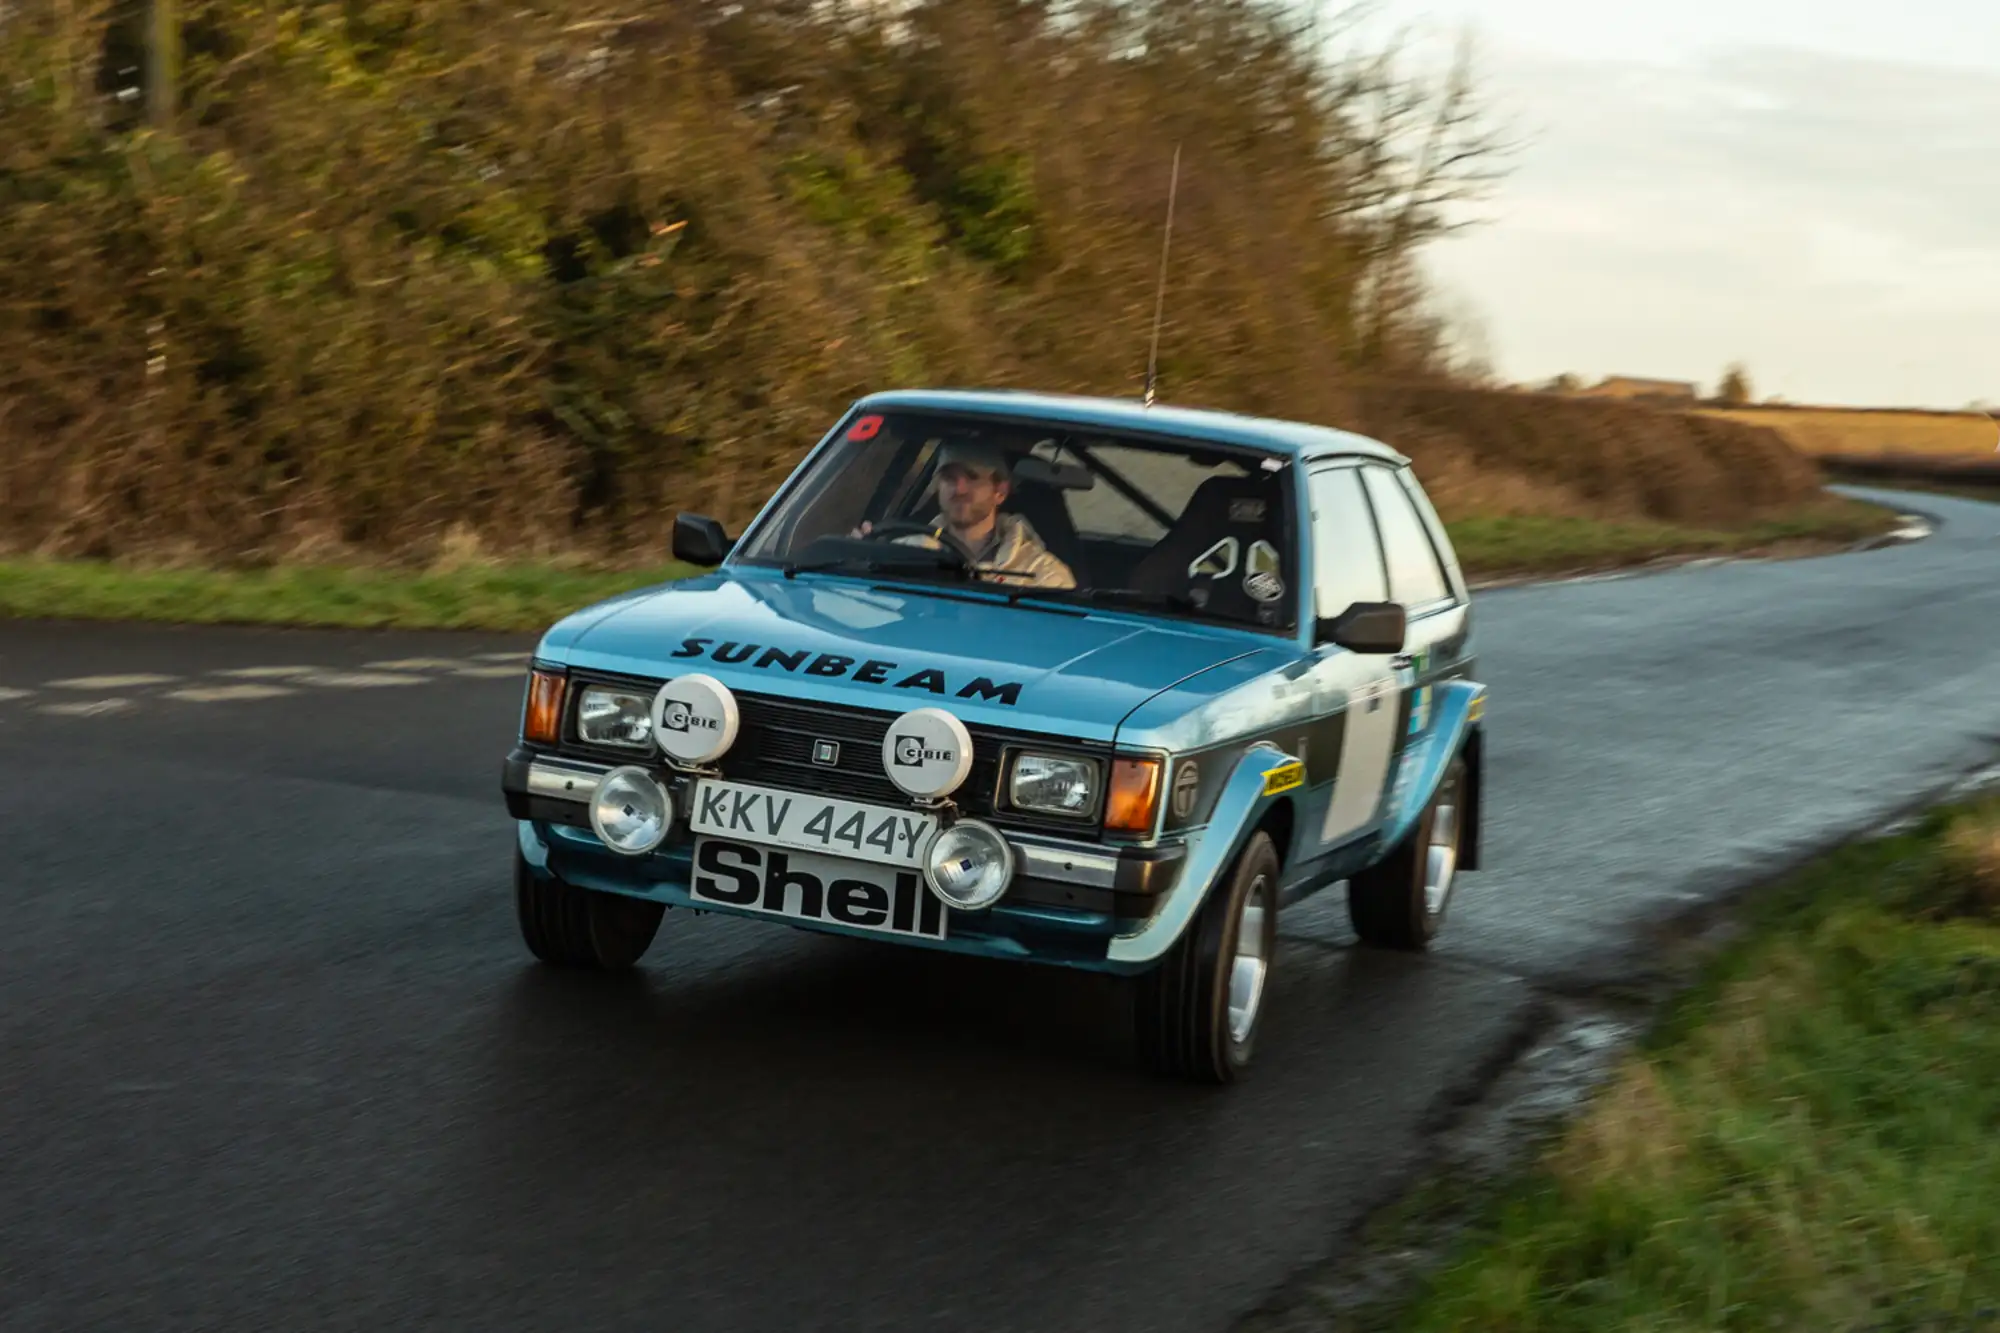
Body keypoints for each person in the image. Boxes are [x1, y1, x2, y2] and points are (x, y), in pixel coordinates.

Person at [862, 439, 1077, 590]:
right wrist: (860, 557)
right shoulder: (904, 553)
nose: (959, 489)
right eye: (949, 478)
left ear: (1000, 491)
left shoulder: (1043, 575)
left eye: (972, 477)